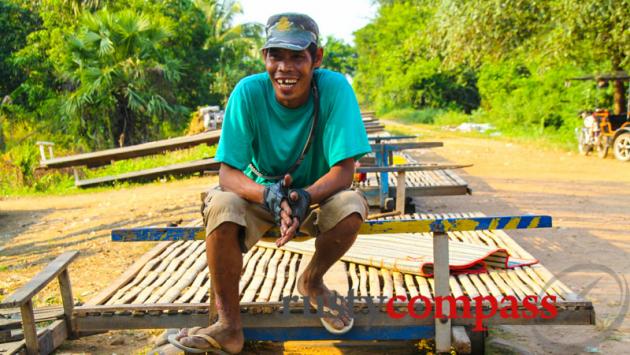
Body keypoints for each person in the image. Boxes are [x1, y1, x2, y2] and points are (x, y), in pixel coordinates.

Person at [169, 12, 371, 354]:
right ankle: (229, 325)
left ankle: (312, 280)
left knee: (351, 206)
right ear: (264, 57)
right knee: (220, 204)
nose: (285, 68)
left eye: (297, 57)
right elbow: (228, 174)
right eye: (276, 56)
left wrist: (304, 196)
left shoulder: (335, 89)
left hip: (316, 197)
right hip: (260, 196)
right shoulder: (248, 92)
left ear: (317, 58)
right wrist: (269, 194)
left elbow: (343, 171)